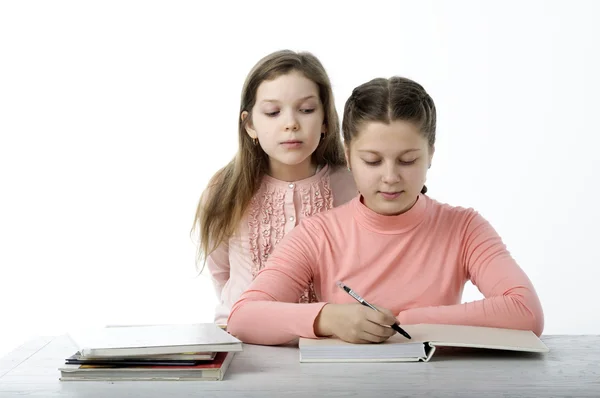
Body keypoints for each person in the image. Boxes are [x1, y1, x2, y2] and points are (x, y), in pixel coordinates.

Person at [226, 76, 544, 345]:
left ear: (430, 153)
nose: (390, 177)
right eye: (373, 161)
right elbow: (243, 316)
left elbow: (526, 312)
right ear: (348, 156)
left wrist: (409, 321)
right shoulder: (318, 233)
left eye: (407, 160)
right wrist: (328, 318)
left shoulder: (464, 227)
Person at [192, 50, 357, 325]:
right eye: (273, 112)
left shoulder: (351, 187)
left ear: (325, 120)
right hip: (242, 338)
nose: (291, 124)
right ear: (250, 125)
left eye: (306, 110)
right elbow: (222, 274)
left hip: (325, 344)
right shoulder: (225, 189)